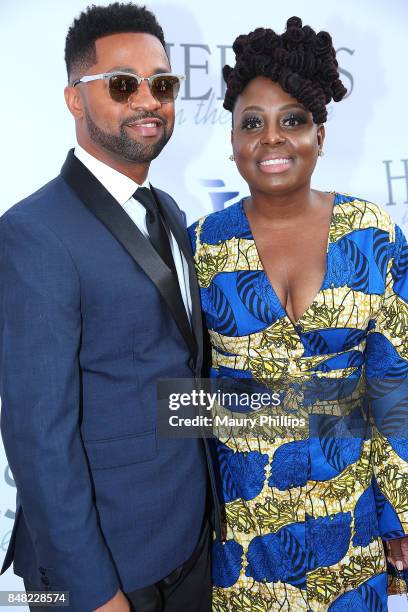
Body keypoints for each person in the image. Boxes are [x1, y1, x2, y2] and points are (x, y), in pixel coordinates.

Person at [0, 3, 220, 611]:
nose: (148, 100)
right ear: (74, 98)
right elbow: (37, 435)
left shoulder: (169, 211)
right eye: (122, 84)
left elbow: (170, 372)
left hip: (190, 539)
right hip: (105, 566)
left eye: (163, 84)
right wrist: (94, 594)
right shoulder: (34, 233)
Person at [188, 16, 408, 611]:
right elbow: (184, 391)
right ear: (232, 141)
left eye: (293, 120)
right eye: (251, 124)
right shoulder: (201, 245)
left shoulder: (372, 233)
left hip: (351, 526)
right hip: (241, 535)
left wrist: (400, 516)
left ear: (320, 135)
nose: (271, 139)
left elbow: (394, 385)